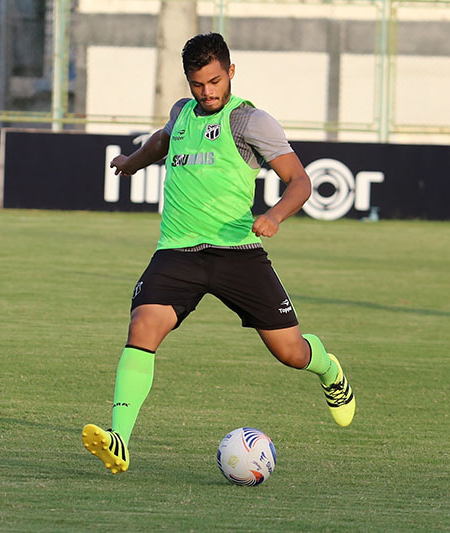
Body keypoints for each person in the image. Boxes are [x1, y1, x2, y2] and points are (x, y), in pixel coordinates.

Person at [82, 33, 354, 474]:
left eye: (214, 81)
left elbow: (300, 181)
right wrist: (133, 160)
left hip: (238, 254)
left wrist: (275, 216)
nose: (207, 93)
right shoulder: (182, 113)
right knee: (143, 324)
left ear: (230, 72)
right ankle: (120, 439)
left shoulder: (250, 122)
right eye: (197, 84)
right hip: (178, 251)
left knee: (289, 352)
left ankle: (328, 369)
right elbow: (163, 140)